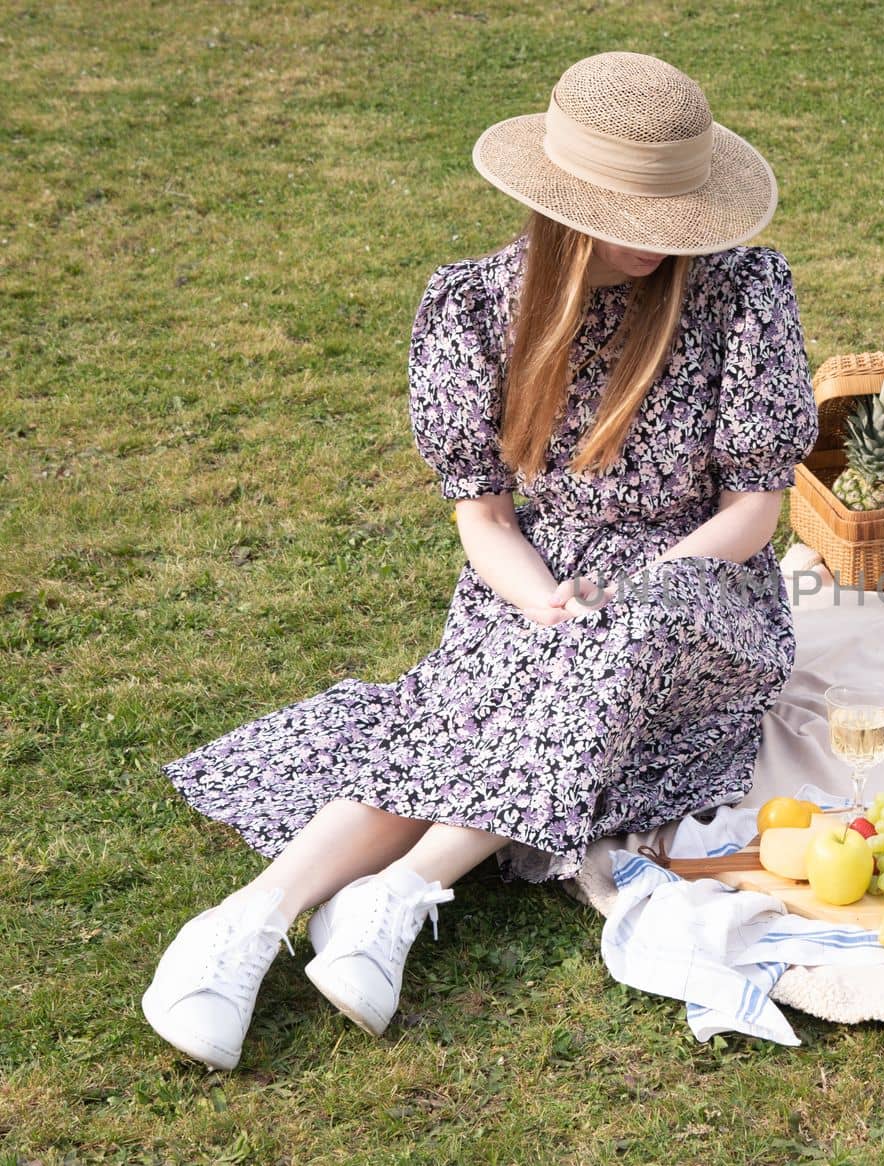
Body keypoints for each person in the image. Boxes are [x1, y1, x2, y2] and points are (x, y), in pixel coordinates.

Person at [142, 51, 818, 1071]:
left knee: (605, 646)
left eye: (670, 214)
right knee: (472, 704)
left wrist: (631, 592)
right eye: (632, 215)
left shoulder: (740, 292)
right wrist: (545, 600)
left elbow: (755, 509)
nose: (655, 243)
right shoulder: (470, 308)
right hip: (535, 574)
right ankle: (250, 917)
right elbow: (485, 516)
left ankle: (399, 890)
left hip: (699, 581)